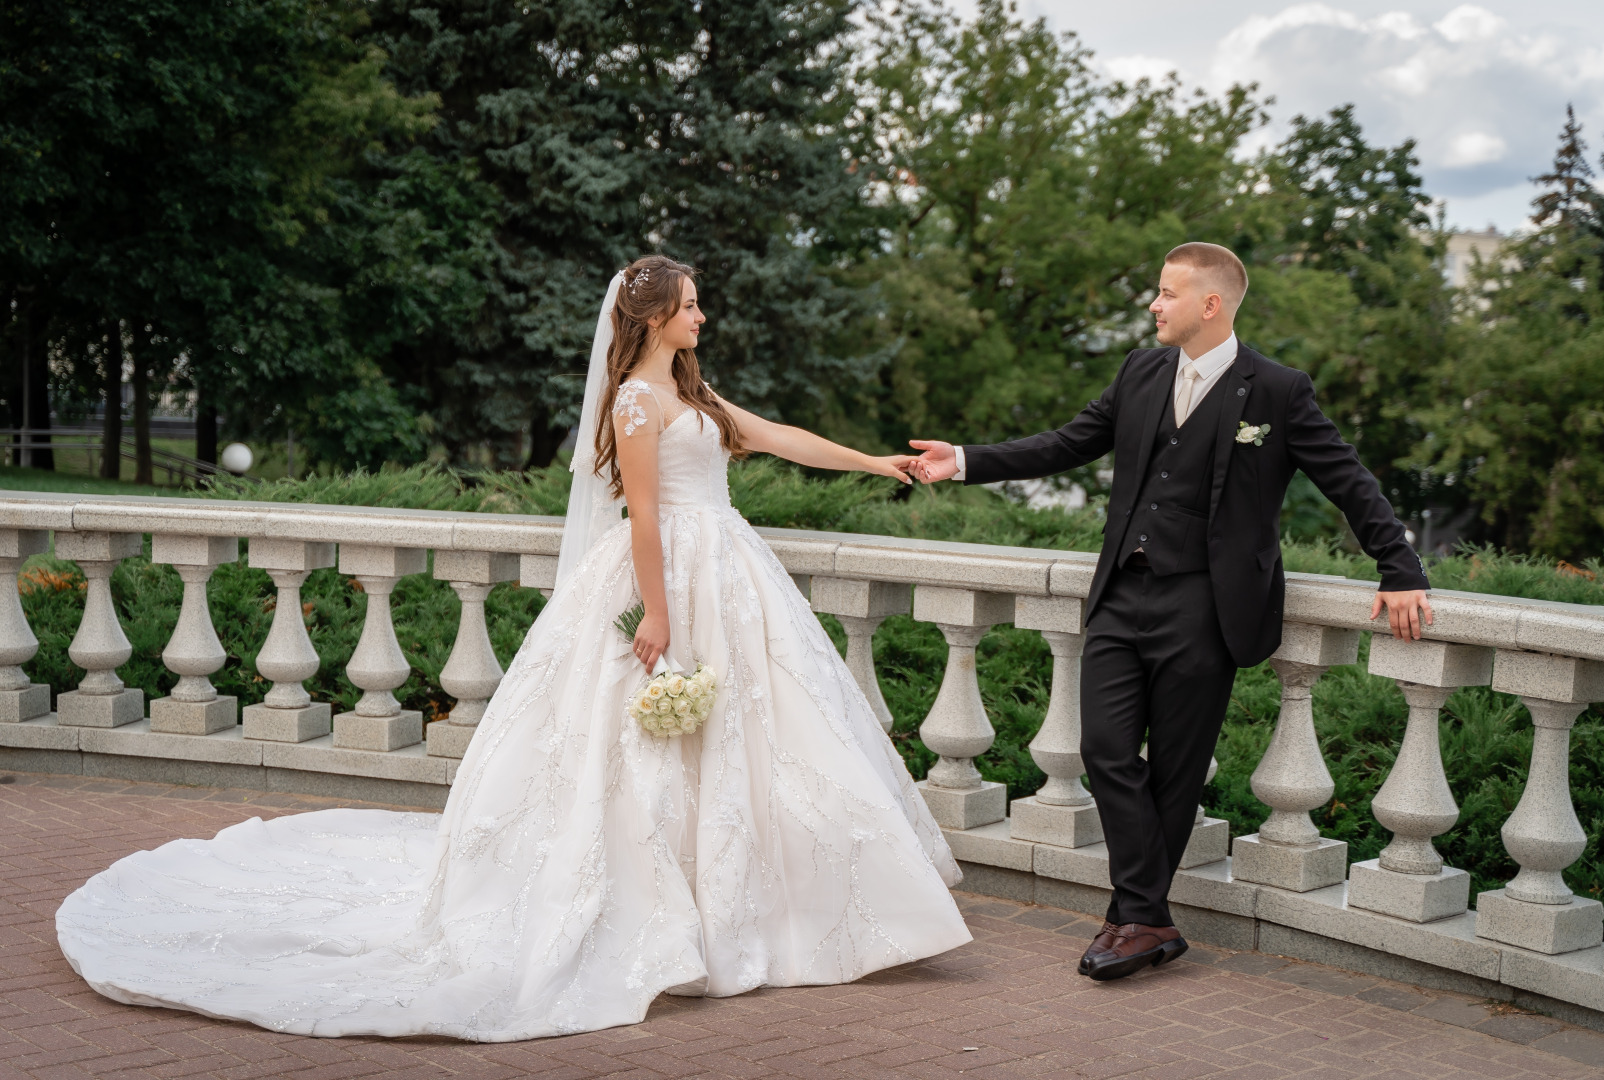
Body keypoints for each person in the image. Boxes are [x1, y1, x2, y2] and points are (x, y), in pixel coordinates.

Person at [57, 255, 970, 1041]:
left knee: (755, 738)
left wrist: (875, 463)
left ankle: (748, 905)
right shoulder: (636, 403)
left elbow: (772, 437)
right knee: (639, 747)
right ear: (651, 315)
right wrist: (655, 614)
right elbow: (645, 514)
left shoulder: (693, 392)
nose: (703, 314)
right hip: (667, 573)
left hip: (729, 567)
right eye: (690, 302)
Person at [909, 242, 1432, 982]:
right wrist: (962, 460)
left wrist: (1400, 566)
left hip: (1208, 604)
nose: (1154, 305)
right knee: (1105, 751)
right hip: (1123, 593)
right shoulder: (1140, 372)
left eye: (1165, 293)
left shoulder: (1277, 390)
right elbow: (1067, 443)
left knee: (1176, 771)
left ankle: (1135, 919)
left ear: (1209, 304)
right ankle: (1145, 915)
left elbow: (1347, 478)